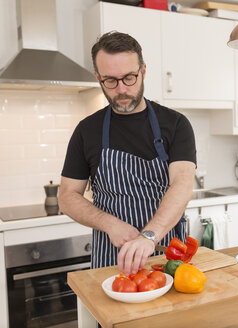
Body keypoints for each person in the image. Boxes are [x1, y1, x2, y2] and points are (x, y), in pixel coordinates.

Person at [59, 31, 196, 275]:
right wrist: (109, 223)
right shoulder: (86, 130)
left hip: (166, 257)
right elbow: (67, 196)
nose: (121, 89)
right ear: (98, 77)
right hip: (111, 261)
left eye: (129, 78)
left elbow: (183, 184)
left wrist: (149, 236)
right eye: (110, 81)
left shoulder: (175, 124)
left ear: (143, 71)